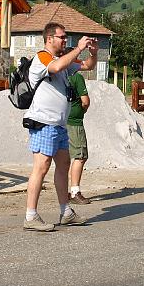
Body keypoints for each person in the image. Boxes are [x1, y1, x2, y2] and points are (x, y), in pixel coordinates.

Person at [22, 23, 98, 232]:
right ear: (49, 39)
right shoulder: (43, 57)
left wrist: (94, 52)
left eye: (66, 38)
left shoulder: (63, 61)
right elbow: (55, 68)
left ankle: (65, 212)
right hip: (43, 121)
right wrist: (79, 48)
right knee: (42, 165)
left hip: (59, 123)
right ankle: (31, 215)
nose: (65, 40)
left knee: (63, 165)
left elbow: (88, 66)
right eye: (62, 37)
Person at [66, 70, 91, 204]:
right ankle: (75, 191)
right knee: (80, 156)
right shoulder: (76, 77)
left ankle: (64, 192)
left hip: (60, 120)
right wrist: (82, 110)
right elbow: (85, 101)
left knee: (63, 159)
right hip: (74, 123)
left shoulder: (59, 76)